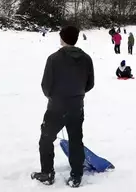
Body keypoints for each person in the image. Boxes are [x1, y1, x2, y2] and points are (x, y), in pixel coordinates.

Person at [31, 26, 94, 188]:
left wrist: (54, 97)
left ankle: (47, 173)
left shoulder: (53, 59)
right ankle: (76, 176)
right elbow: (90, 84)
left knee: (46, 138)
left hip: (56, 107)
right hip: (76, 106)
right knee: (75, 140)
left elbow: (46, 85)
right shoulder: (86, 59)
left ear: (63, 38)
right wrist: (77, 93)